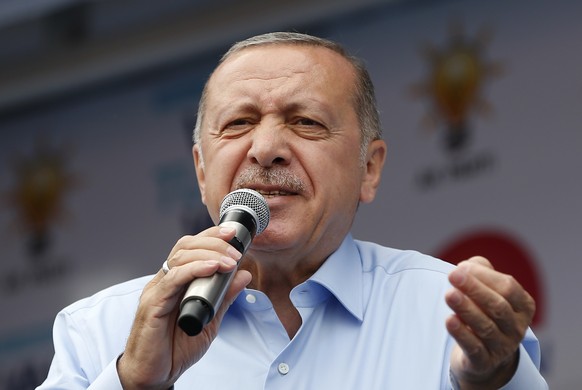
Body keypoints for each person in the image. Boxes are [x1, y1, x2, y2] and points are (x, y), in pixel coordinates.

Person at [37, 31, 547, 389]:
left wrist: (489, 382)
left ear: (369, 169)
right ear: (200, 171)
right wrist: (133, 385)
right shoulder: (100, 331)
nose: (265, 149)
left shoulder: (452, 313)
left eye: (305, 122)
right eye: (238, 123)